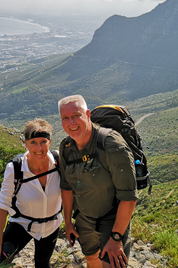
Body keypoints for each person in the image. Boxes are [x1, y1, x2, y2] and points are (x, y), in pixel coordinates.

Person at [57, 95, 138, 268]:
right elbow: (67, 187)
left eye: (76, 115)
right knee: (92, 260)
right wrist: (69, 222)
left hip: (112, 221)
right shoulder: (65, 148)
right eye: (65, 118)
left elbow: (129, 198)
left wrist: (116, 238)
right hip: (84, 220)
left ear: (87, 114)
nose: (71, 122)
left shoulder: (111, 145)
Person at [0, 118, 62, 268]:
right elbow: (2, 205)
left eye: (43, 142)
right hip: (22, 223)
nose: (39, 148)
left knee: (42, 263)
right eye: (33, 142)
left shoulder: (59, 161)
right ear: (26, 143)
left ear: (50, 142)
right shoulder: (15, 169)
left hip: (51, 225)